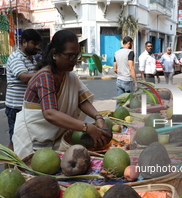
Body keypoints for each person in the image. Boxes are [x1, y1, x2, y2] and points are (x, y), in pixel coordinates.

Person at [12, 30, 110, 159]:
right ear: (54, 54)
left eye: (76, 56)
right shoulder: (45, 76)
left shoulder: (69, 76)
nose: (74, 61)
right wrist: (87, 128)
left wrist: (98, 118)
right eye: (69, 56)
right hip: (33, 140)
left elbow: (81, 100)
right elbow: (50, 113)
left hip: (55, 138)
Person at [5, 29, 42, 150]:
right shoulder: (16, 57)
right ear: (24, 42)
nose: (37, 47)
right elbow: (24, 77)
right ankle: (10, 166)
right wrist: (45, 72)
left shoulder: (31, 58)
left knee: (25, 139)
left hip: (26, 106)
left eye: (38, 44)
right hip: (16, 107)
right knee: (15, 139)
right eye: (34, 44)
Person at [113, 36, 137, 107]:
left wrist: (121, 74)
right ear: (129, 43)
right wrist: (136, 82)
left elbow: (115, 69)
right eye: (132, 44)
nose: (132, 45)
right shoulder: (130, 52)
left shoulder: (116, 53)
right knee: (134, 101)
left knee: (119, 103)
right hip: (128, 80)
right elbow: (131, 68)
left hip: (119, 80)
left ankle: (117, 115)